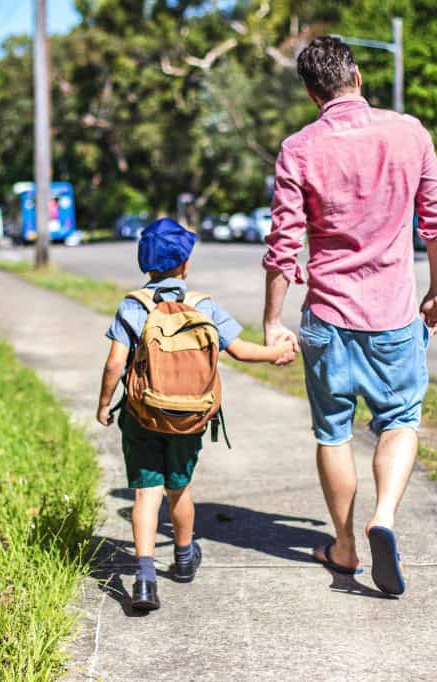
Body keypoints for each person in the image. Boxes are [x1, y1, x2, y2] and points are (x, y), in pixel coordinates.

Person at [261, 37, 437, 596]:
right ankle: (384, 517)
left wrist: (274, 321)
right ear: (359, 78)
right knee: (399, 422)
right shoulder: (410, 132)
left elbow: (283, 246)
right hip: (394, 317)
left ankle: (344, 547)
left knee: (332, 432)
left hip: (328, 318)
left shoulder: (298, 149)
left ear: (309, 91)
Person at [97, 217, 294, 611]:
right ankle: (184, 559)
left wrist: (104, 404)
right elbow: (240, 350)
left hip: (141, 415)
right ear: (185, 264)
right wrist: (278, 353)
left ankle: (145, 579)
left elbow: (114, 363)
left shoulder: (133, 306)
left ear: (144, 264)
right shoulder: (203, 306)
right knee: (180, 489)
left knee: (145, 493)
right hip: (189, 417)